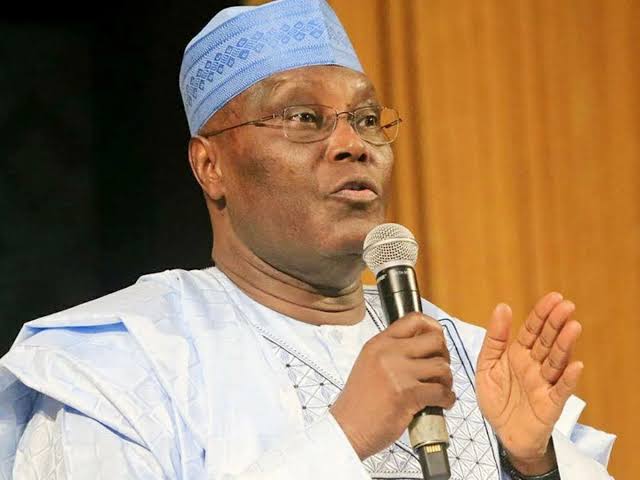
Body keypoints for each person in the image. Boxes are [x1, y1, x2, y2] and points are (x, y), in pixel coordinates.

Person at [0, 0, 615, 478]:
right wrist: (344, 437)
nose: (353, 144)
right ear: (211, 166)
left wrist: (534, 465)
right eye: (303, 118)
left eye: (367, 119)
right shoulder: (122, 367)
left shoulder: (475, 358)